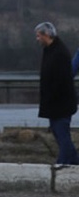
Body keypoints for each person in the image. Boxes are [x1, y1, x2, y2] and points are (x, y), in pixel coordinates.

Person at [34, 22, 79, 165]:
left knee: (61, 134)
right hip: (57, 103)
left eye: (38, 36)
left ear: (46, 35)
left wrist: (51, 99)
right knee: (59, 132)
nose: (37, 39)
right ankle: (73, 161)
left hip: (60, 103)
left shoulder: (58, 53)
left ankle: (63, 163)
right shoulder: (52, 50)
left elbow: (62, 79)